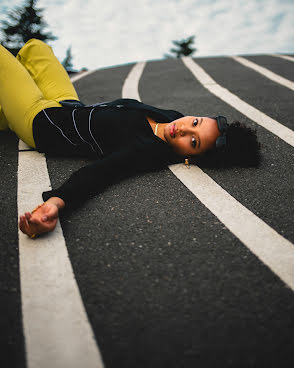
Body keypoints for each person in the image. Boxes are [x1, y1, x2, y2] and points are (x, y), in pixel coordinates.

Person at [0, 39, 260, 239]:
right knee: (35, 47)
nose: (183, 129)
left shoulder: (146, 151)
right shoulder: (172, 116)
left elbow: (100, 173)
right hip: (66, 104)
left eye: (193, 142)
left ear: (189, 157)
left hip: (41, 121)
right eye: (195, 123)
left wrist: (55, 204)